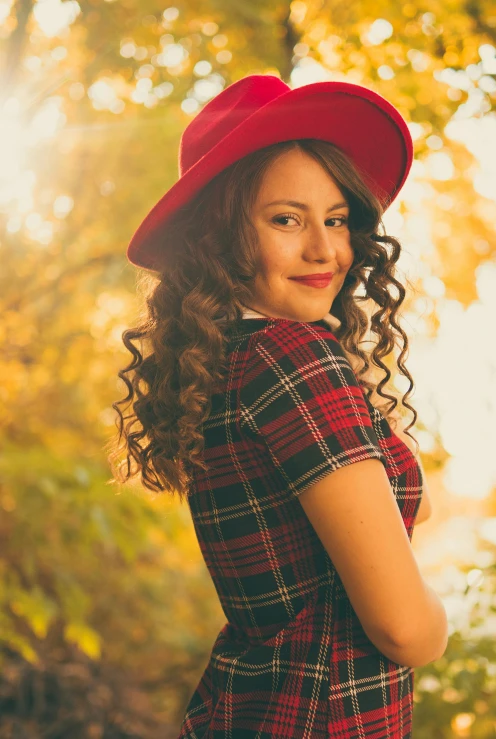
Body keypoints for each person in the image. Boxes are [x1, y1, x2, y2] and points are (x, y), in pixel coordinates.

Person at [108, 74, 448, 738]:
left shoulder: (232, 360)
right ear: (223, 237)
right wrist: (437, 622)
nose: (325, 250)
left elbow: (410, 500)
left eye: (337, 218)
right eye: (286, 219)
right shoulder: (293, 359)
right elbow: (404, 627)